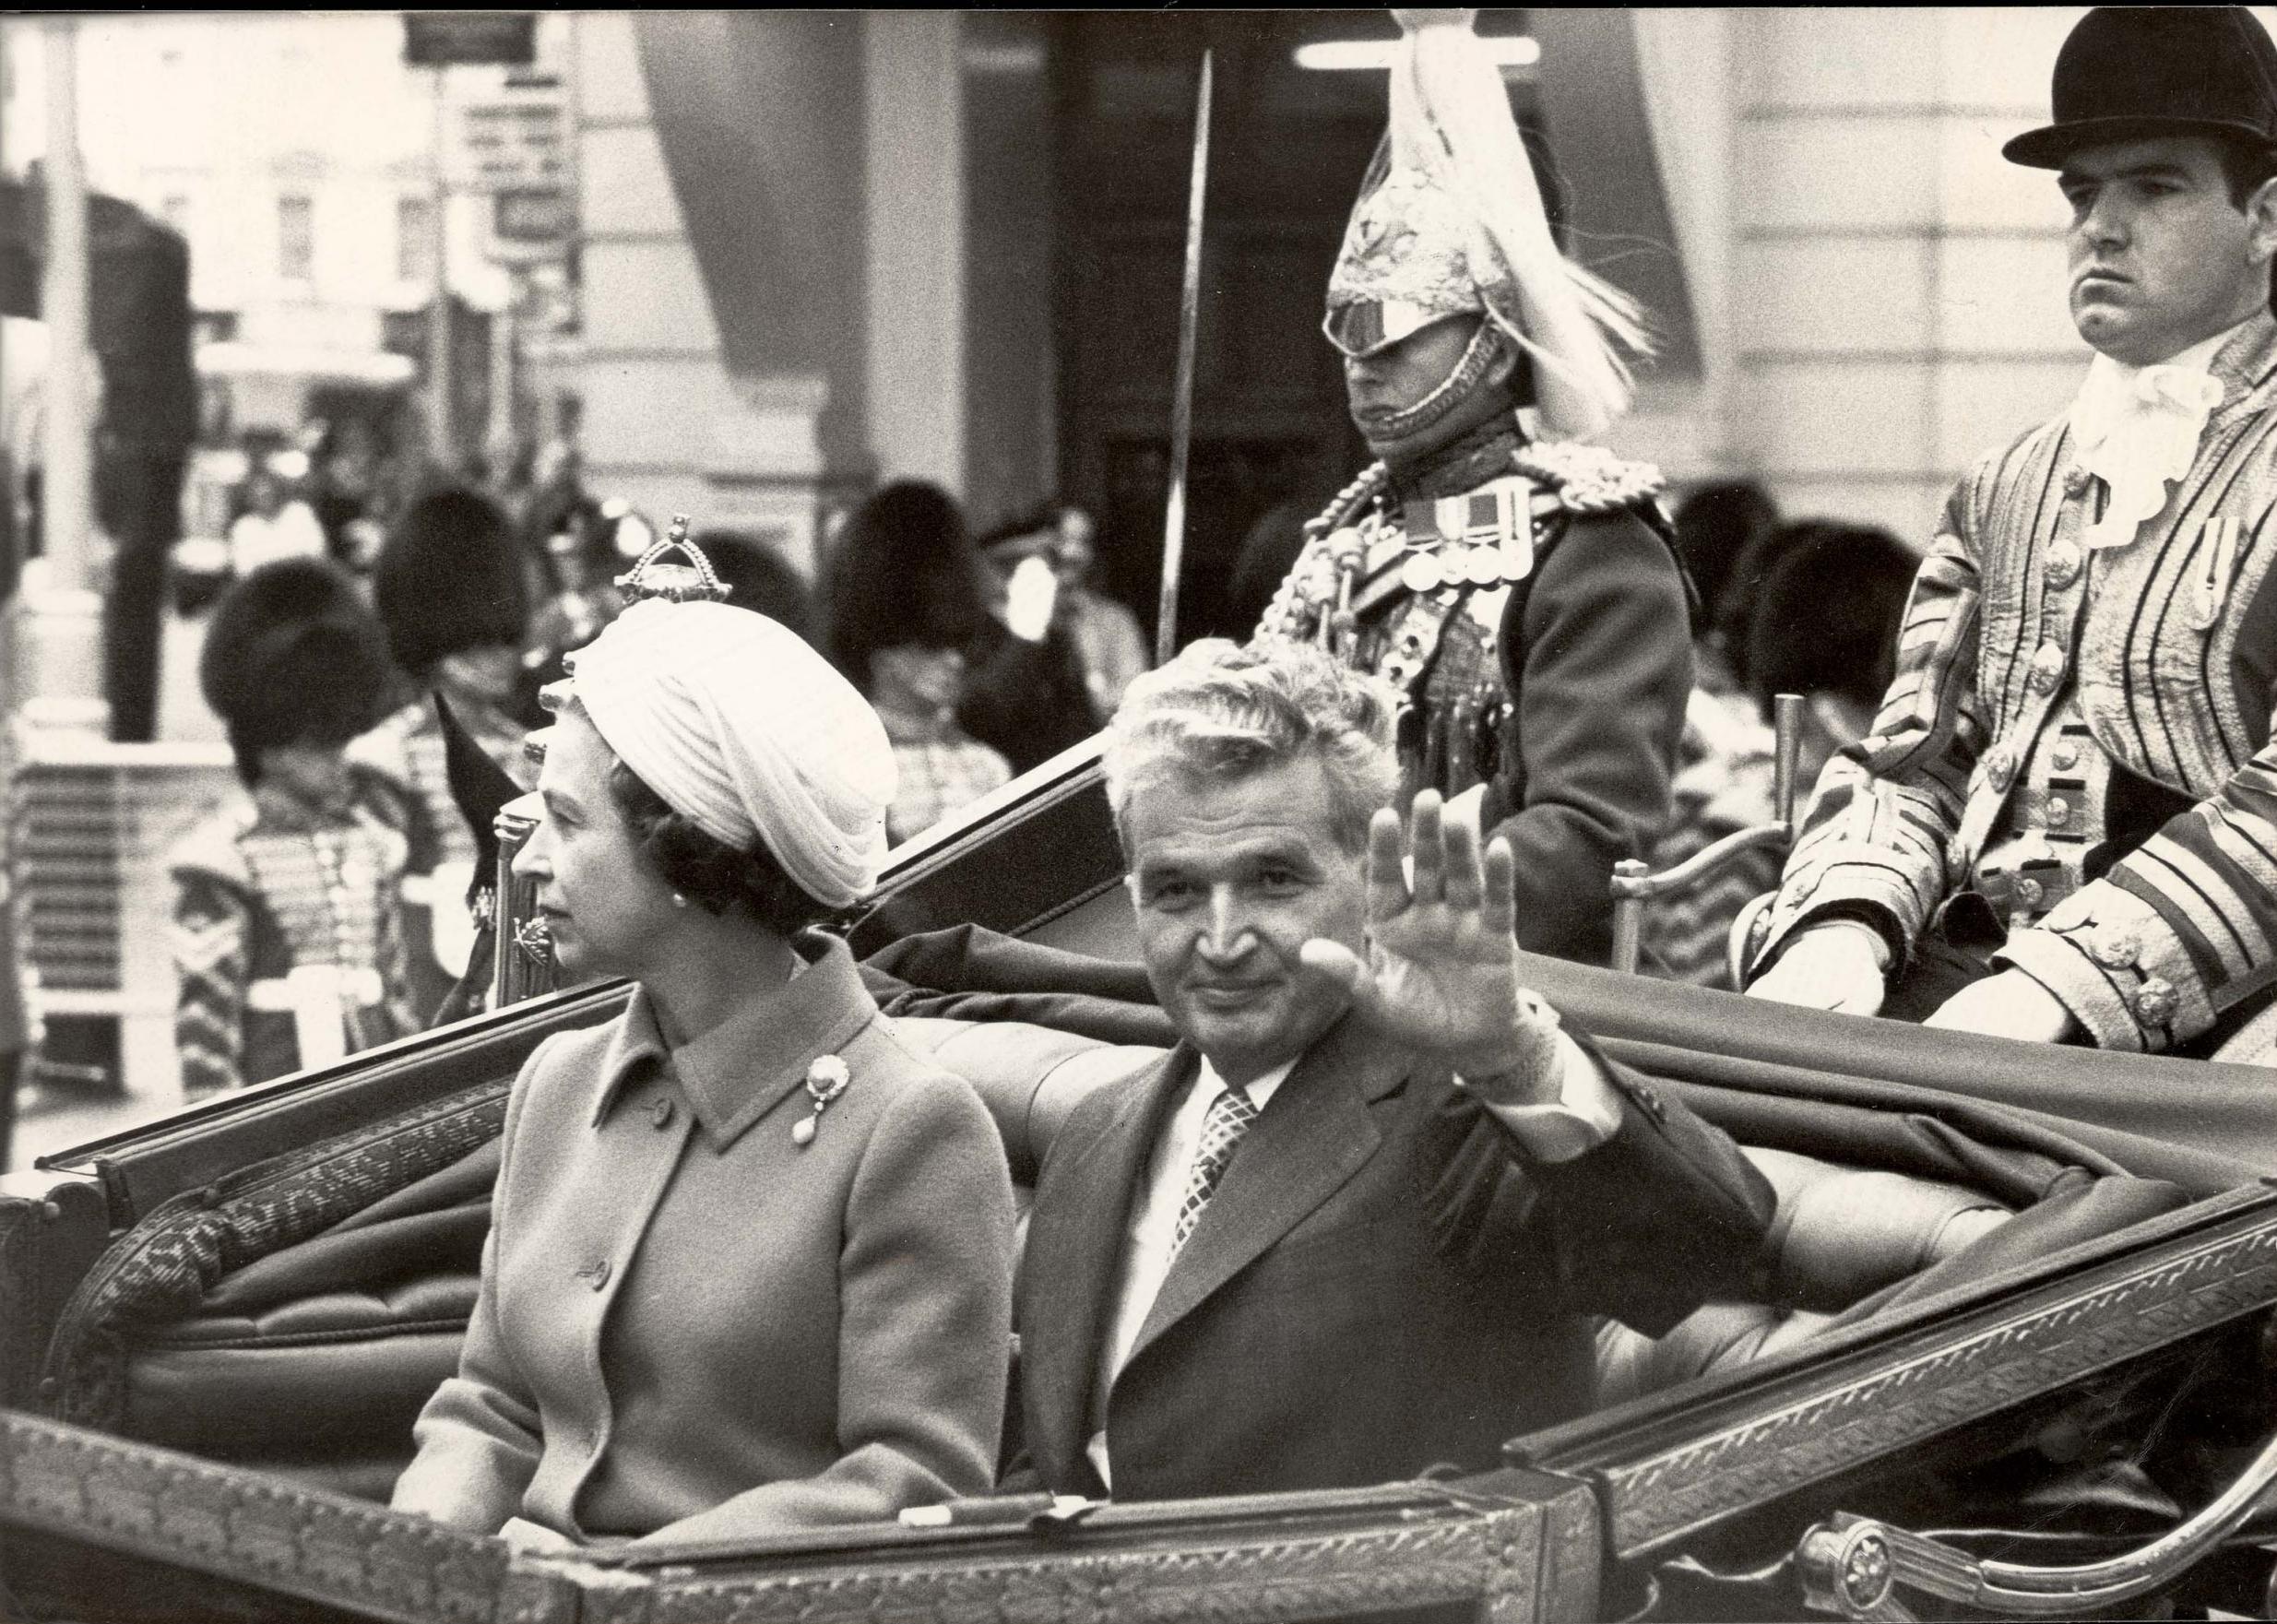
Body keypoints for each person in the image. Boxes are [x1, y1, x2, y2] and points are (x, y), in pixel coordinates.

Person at [1010, 638, 1773, 1500]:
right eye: (1176, 890)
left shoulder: (1459, 1109)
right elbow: (1050, 1474)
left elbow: (1700, 1249)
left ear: (1372, 880)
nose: (1220, 940)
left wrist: (1505, 1052)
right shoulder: (1094, 1133)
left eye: (1272, 879)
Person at [392, 545, 1015, 1547]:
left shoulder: (913, 1131)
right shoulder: (557, 1084)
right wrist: (416, 1563)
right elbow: (492, 1409)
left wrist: (607, 1595)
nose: (534, 860)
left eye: (564, 820)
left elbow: (908, 1484)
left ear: (685, 849)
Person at [1747, 6, 2277, 1058]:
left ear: (2264, 218)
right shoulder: (2007, 483)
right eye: (2082, 193)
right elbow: (1916, 760)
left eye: (2155, 187)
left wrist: (2065, 984)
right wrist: (1841, 925)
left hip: (2216, 1032)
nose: (2100, 227)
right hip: (1963, 987)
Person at [1254, 10, 1690, 967]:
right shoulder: (1349, 533)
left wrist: (1363, 924)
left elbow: (1584, 834)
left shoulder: (1589, 545)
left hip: (1510, 981)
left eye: (1400, 336)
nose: (1363, 367)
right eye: (1349, 335)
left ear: (1493, 344)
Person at [170, 559, 417, 1099]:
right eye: (319, 744)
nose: (339, 761)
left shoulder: (373, 847)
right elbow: (205, 1032)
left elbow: (394, 999)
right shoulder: (224, 861)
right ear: (272, 745)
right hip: (274, 1095)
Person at [350, 488, 540, 1014]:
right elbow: (374, 916)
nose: (501, 655)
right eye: (477, 640)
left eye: (504, 639)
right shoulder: (386, 757)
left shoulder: (532, 750)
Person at [824, 483, 1016, 845]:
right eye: (931, 644)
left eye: (959, 643)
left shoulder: (987, 767)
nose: (955, 661)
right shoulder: (844, 768)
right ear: (884, 647)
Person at [225, 460, 327, 578]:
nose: (263, 498)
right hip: (263, 588)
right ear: (249, 498)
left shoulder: (300, 512)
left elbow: (317, 552)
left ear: (277, 491)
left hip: (303, 580)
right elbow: (243, 570)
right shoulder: (243, 527)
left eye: (267, 493)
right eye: (257, 495)